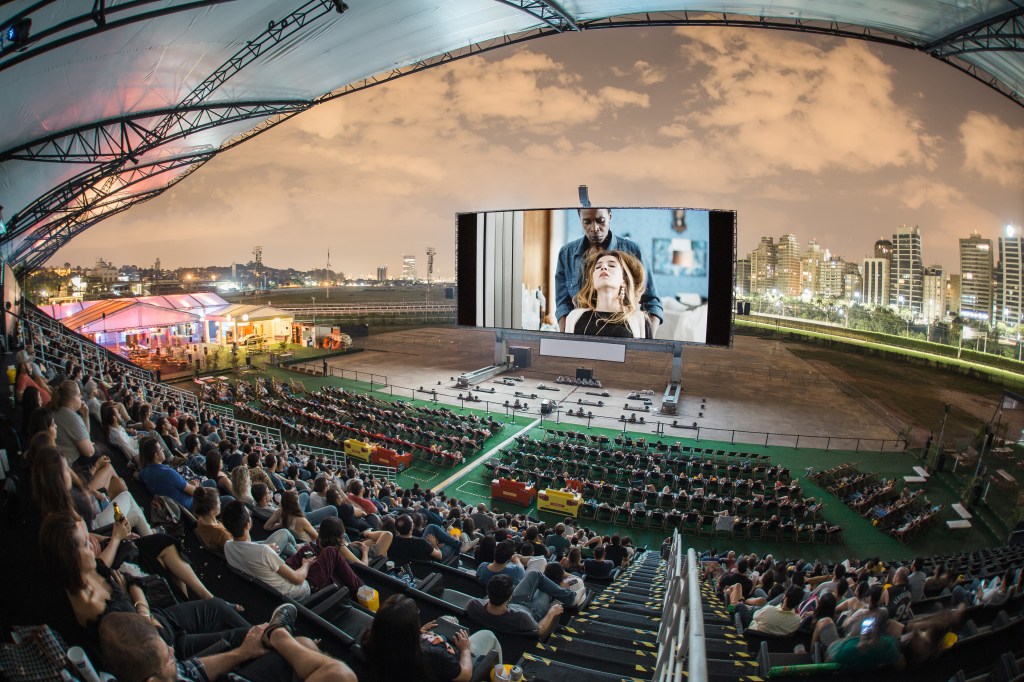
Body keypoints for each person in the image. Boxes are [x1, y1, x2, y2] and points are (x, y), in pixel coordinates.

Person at [40, 512, 251, 658]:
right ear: (71, 557)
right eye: (86, 543)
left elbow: (134, 582)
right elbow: (144, 644)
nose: (93, 544)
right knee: (244, 638)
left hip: (158, 618)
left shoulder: (94, 569)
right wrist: (140, 609)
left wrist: (141, 609)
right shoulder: (92, 608)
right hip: (164, 645)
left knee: (217, 606)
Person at [98, 607, 357, 682]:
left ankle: (281, 636)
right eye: (167, 657)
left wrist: (242, 652)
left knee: (303, 644)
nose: (172, 651)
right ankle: (279, 634)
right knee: (339, 674)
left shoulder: (161, 674)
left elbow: (190, 671)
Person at [554, 207, 662, 335]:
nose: (594, 228)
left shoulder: (633, 250)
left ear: (610, 216)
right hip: (581, 332)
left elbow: (652, 303)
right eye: (587, 222)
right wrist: (567, 335)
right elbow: (563, 304)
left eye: (600, 221)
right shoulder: (567, 253)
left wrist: (646, 338)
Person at [362, 594, 502, 682]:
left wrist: (418, 632)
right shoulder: (431, 654)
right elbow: (465, 676)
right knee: (488, 635)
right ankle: (501, 675)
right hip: (452, 665)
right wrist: (465, 649)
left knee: (448, 620)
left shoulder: (369, 640)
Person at [222, 501, 314, 601]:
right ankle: (302, 553)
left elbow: (247, 547)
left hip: (264, 590)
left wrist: (265, 547)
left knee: (287, 545)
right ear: (248, 525)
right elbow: (298, 579)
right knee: (309, 556)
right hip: (292, 593)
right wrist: (306, 564)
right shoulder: (263, 552)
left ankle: (298, 551)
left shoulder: (227, 546)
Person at [564, 250, 650, 338]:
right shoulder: (574, 317)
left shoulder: (639, 319)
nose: (603, 267)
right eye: (598, 267)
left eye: (612, 265)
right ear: (593, 281)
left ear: (624, 280)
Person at [465, 573, 566, 638]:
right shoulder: (522, 618)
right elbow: (539, 630)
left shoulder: (473, 605)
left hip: (513, 604)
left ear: (488, 591)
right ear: (510, 596)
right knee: (545, 589)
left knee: (534, 574)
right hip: (533, 612)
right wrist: (552, 612)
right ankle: (570, 597)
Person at [136, 436, 199, 511]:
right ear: (156, 455)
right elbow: (195, 492)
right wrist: (195, 486)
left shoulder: (145, 472)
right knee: (210, 483)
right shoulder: (169, 473)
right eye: (160, 449)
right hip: (193, 506)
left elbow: (136, 475)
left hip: (174, 508)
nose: (163, 449)